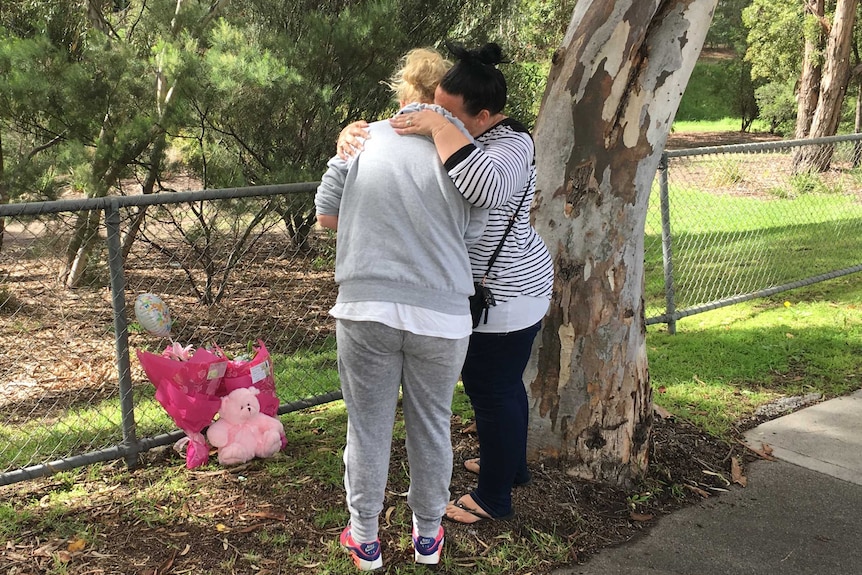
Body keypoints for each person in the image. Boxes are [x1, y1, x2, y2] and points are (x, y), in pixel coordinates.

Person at [338, 41, 554, 525]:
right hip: (474, 290)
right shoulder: (464, 134)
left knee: (491, 389)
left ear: (482, 116)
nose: (434, 117)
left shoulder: (512, 143)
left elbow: (485, 189)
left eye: (449, 114)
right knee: (500, 388)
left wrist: (437, 127)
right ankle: (510, 464)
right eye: (435, 106)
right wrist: (354, 138)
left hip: (508, 291)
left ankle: (495, 495)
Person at [315, 48, 487, 570]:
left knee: (366, 426)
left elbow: (326, 217)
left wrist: (376, 233)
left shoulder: (362, 140)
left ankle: (365, 538)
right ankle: (428, 536)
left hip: (365, 305)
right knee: (431, 423)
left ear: (402, 91)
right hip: (441, 312)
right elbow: (474, 236)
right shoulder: (465, 152)